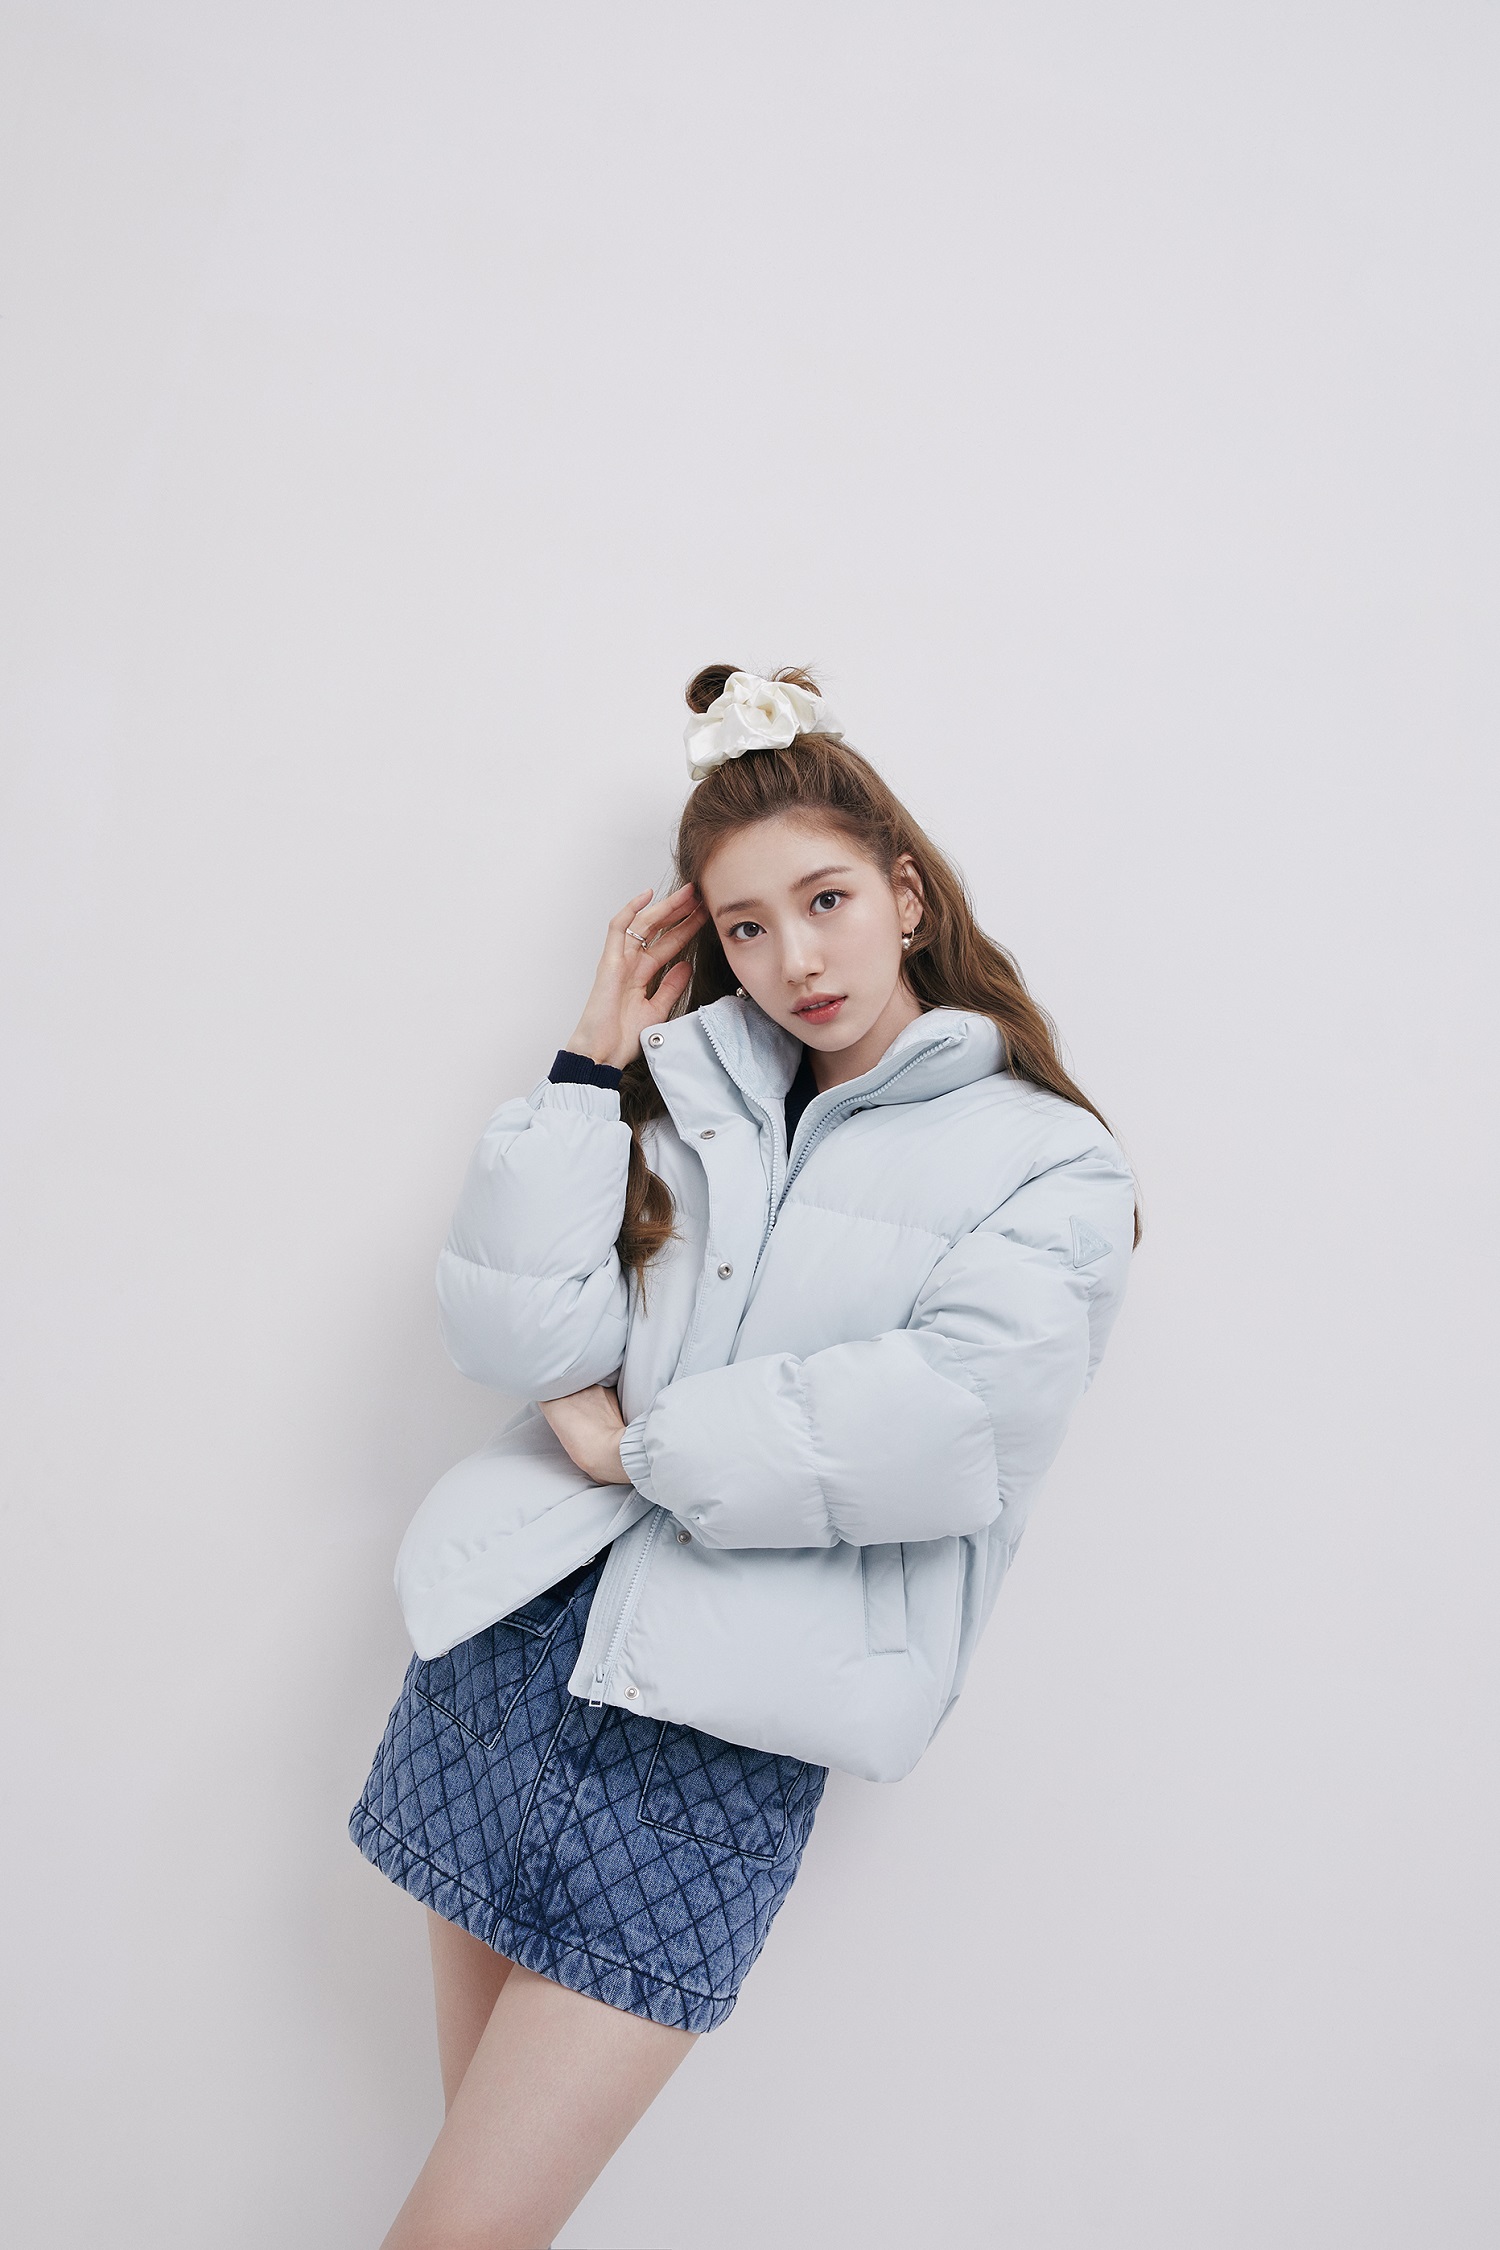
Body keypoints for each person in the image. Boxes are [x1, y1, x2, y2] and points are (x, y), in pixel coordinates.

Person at [351, 664, 1139, 2248]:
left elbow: (952, 1422)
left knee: (460, 2231)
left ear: (906, 892)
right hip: (507, 1665)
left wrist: (641, 1448)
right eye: (748, 926)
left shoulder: (1048, 1160)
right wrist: (591, 1060)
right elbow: (512, 1331)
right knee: (482, 2221)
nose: (796, 958)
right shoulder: (691, 1093)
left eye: (826, 899)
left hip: (711, 1750)